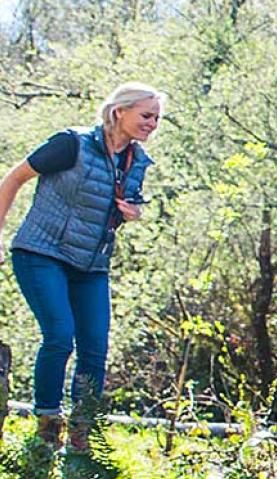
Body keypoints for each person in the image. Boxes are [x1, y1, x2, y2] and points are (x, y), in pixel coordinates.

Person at [0, 83, 164, 454]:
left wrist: (132, 214)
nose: (152, 123)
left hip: (90, 264)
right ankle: (46, 428)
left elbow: (119, 209)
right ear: (119, 111)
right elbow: (13, 178)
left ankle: (81, 435)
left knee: (95, 347)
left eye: (156, 117)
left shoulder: (136, 162)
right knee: (60, 335)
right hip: (41, 252)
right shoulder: (70, 143)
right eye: (146, 115)